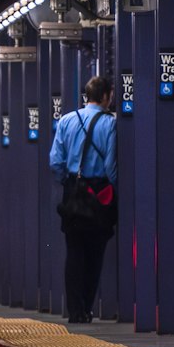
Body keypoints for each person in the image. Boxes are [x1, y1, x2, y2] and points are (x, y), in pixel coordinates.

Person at [49, 74, 117, 324]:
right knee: (96, 253)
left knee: (74, 251)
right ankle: (87, 307)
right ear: (106, 96)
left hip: (74, 191)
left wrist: (69, 181)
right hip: (99, 193)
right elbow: (111, 165)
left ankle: (75, 310)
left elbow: (55, 161)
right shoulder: (110, 123)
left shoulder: (66, 120)